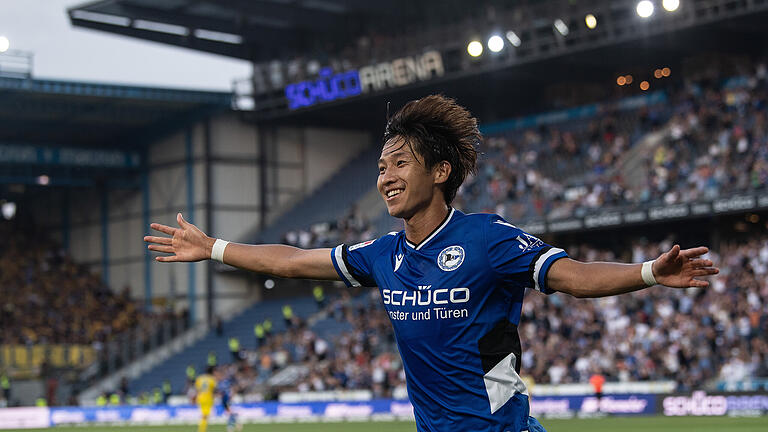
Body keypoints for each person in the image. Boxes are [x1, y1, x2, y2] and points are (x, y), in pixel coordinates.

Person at [145, 95, 719, 432]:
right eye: (380, 167)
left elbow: (570, 276)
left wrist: (647, 273)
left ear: (440, 172)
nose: (384, 177)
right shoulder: (381, 255)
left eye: (399, 163)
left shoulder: (488, 240)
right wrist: (215, 248)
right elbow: (292, 261)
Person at [195, 366, 216, 432]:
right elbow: (214, 390)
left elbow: (197, 389)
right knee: (205, 416)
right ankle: (202, 430)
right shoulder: (212, 379)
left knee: (204, 415)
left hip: (200, 398)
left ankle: (202, 429)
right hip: (208, 398)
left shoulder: (200, 378)